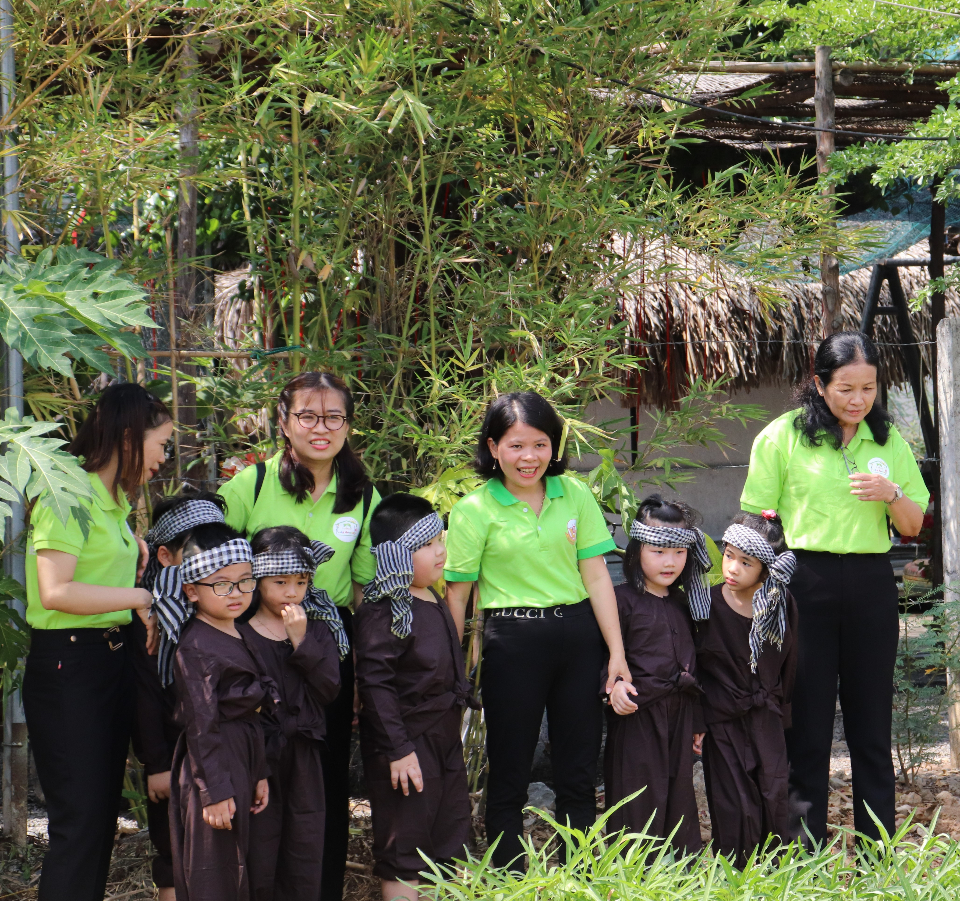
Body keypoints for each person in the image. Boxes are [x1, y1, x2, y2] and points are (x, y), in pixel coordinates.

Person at [741, 331, 929, 844]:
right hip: (804, 582)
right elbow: (757, 523)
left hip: (871, 584)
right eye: (846, 388)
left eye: (868, 388)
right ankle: (806, 854)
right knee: (807, 726)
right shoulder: (782, 437)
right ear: (819, 384)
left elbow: (912, 525)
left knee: (872, 726)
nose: (858, 400)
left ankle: (877, 851)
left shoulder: (888, 442)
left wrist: (891, 493)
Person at [443, 391, 628, 869]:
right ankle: (508, 872)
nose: (530, 457)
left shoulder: (575, 494)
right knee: (510, 765)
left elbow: (597, 577)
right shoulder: (473, 510)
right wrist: (450, 665)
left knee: (578, 765)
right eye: (517, 445)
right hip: (512, 642)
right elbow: (458, 596)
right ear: (493, 447)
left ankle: (580, 869)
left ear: (555, 446)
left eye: (540, 444)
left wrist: (616, 653)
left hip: (578, 637)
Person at [219, 371, 379, 901]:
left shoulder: (361, 494)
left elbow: (364, 588)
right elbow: (211, 557)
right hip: (255, 644)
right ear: (283, 422)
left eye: (333, 417)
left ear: (348, 425)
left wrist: (360, 672)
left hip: (327, 648)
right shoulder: (251, 485)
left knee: (325, 777)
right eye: (307, 416)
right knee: (258, 768)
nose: (321, 428)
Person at [24, 382, 170, 901]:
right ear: (129, 437)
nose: (164, 458)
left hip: (108, 660)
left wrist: (136, 551)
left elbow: (93, 568)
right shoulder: (67, 494)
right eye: (161, 444)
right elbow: (55, 590)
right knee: (81, 821)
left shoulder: (115, 501)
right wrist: (138, 596)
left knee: (100, 818)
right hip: (70, 665)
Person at [355, 494, 477, 901]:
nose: (440, 551)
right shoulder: (384, 609)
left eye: (440, 540)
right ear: (395, 555)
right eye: (426, 545)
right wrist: (398, 749)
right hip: (407, 742)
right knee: (406, 845)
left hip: (443, 738)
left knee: (449, 837)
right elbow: (376, 684)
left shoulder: (429, 596)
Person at [153, 524, 273, 901]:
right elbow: (202, 725)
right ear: (192, 591)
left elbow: (253, 715)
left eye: (245, 581)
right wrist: (215, 792)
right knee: (216, 870)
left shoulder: (239, 631)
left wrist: (260, 771)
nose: (236, 593)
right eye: (221, 584)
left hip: (243, 754)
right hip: (213, 764)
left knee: (241, 865)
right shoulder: (197, 646)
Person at [240, 526, 345, 901]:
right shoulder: (239, 633)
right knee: (259, 848)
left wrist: (301, 641)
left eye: (301, 582)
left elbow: (329, 688)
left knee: (304, 846)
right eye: (280, 582)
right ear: (257, 579)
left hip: (304, 757)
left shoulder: (317, 629)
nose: (291, 592)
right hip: (258, 758)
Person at [134, 491, 228, 901]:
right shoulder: (150, 618)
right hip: (173, 756)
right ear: (165, 556)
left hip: (224, 752)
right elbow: (145, 695)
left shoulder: (230, 607)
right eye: (196, 548)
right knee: (173, 845)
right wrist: (156, 763)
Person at [603, 495, 708, 856]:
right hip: (639, 713)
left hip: (680, 713)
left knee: (679, 789)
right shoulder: (619, 600)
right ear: (636, 551)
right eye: (659, 551)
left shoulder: (685, 603)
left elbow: (695, 665)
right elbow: (602, 656)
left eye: (679, 552)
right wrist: (613, 688)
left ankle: (680, 866)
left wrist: (697, 720)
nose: (670, 562)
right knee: (637, 790)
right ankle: (633, 866)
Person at [695, 511, 798, 867]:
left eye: (746, 562)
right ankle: (735, 875)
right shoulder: (706, 603)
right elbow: (695, 666)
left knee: (773, 792)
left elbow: (789, 662)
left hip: (766, 716)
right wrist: (698, 721)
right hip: (723, 718)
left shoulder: (780, 605)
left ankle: (776, 874)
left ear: (765, 570)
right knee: (732, 801)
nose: (732, 568)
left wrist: (783, 713)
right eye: (729, 556)